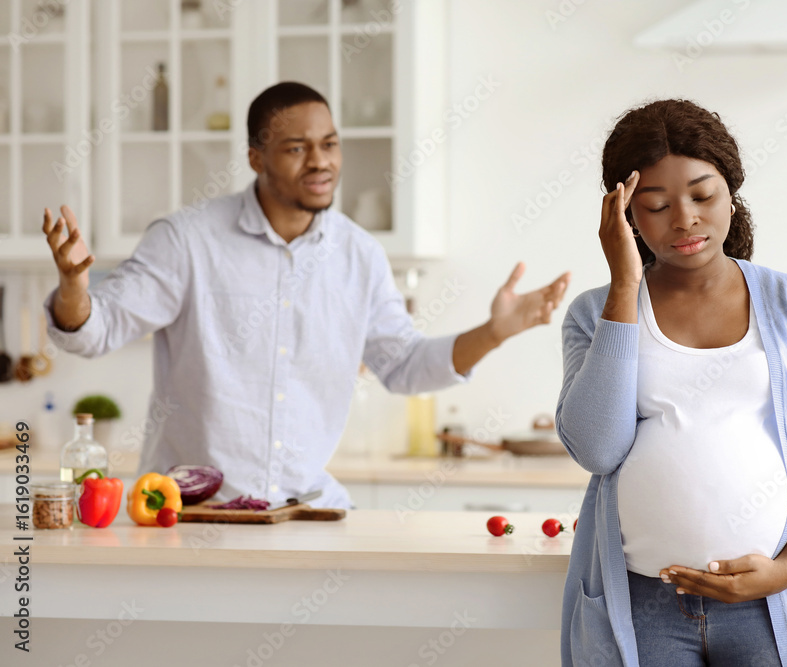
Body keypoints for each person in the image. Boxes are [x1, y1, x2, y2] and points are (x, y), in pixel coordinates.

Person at [41, 81, 570, 510]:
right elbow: (94, 330)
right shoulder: (188, 240)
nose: (320, 161)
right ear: (256, 157)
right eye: (296, 148)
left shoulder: (358, 255)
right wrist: (73, 287)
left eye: (329, 143)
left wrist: (495, 331)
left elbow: (405, 365)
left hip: (305, 510)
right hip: (188, 511)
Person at [556, 99, 787, 666]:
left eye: (703, 196)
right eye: (655, 206)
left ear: (731, 192)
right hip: (640, 605)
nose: (684, 219)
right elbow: (596, 449)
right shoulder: (596, 314)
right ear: (625, 215)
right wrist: (622, 288)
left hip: (767, 605)